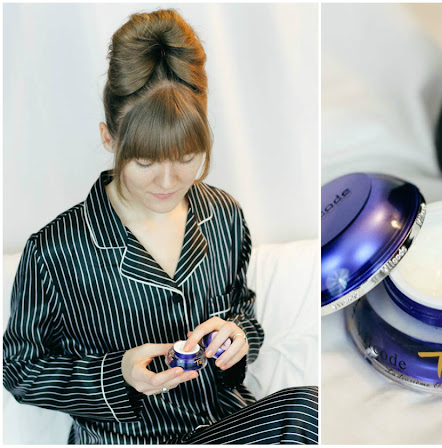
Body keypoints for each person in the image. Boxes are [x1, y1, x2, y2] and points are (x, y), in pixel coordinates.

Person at [3, 9, 317, 444]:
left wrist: (239, 336)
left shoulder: (224, 215)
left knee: (312, 411)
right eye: (145, 162)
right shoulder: (55, 250)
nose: (168, 182)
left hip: (225, 426)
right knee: (304, 414)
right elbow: (20, 368)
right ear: (109, 138)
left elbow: (242, 310)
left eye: (186, 158)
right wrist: (118, 374)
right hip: (130, 438)